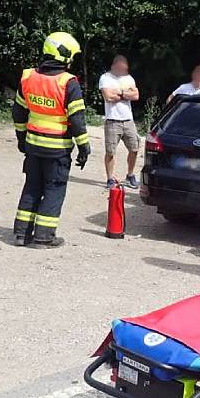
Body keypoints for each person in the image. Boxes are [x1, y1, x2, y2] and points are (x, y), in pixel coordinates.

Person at [11, 31, 91, 248]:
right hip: (57, 149)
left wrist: (21, 138)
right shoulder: (68, 82)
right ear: (63, 55)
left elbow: (19, 112)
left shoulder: (28, 77)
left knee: (32, 187)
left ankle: (21, 234)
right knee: (54, 189)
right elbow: (77, 120)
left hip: (33, 145)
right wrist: (84, 148)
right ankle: (44, 237)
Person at [99, 55, 140, 189]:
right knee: (110, 152)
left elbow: (136, 96)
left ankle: (130, 175)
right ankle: (110, 178)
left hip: (128, 120)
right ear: (114, 65)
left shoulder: (129, 78)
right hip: (112, 120)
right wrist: (126, 93)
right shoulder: (105, 78)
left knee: (134, 149)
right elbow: (108, 97)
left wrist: (119, 93)